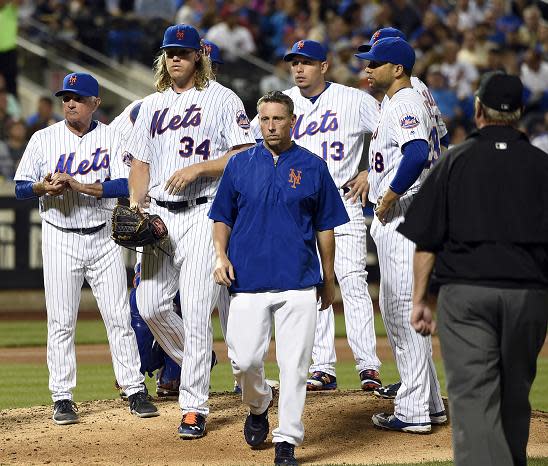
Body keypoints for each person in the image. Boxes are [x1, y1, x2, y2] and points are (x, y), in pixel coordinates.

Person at [399, 71, 548, 466]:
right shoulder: (541, 165)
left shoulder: (456, 161)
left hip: (466, 296)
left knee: (473, 397)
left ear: (478, 109)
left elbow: (427, 241)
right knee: (514, 395)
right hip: (529, 297)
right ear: (518, 113)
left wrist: (421, 299)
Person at [126, 23, 254, 439]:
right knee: (149, 305)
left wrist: (201, 167)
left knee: (199, 310)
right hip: (161, 219)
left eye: (182, 51)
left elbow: (242, 153)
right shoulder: (152, 105)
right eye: (169, 51)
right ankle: (198, 358)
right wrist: (135, 202)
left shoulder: (222, 98)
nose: (175, 57)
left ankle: (194, 407)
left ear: (198, 55)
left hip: (204, 215)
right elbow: (140, 163)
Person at [209, 90, 349, 466]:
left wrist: (329, 276)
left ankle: (287, 439)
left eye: (278, 119)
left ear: (292, 121)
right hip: (247, 280)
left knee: (295, 365)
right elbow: (221, 217)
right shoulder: (239, 165)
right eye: (265, 119)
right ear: (259, 121)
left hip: (299, 280)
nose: (271, 125)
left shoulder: (313, 166)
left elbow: (325, 227)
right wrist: (220, 255)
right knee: (244, 362)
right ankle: (258, 405)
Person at [13, 72, 158, 425]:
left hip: (102, 236)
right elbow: (19, 188)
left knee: (118, 317)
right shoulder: (43, 139)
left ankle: (134, 388)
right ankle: (62, 397)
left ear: (95, 103)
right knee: (61, 321)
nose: (70, 103)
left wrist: (79, 185)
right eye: (66, 98)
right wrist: (41, 188)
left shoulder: (112, 137)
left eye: (77, 98)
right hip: (60, 235)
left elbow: (128, 181)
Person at [251, 39, 382, 393]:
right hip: (298, 210)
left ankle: (368, 365)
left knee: (352, 281)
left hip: (342, 199)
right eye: (294, 62)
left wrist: (371, 170)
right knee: (314, 285)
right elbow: (251, 146)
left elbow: (391, 132)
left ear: (324, 66)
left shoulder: (353, 100)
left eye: (306, 62)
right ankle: (323, 367)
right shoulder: (282, 108)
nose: (298, 68)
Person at [355, 37, 445, 433]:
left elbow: (416, 153)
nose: (367, 69)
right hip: (405, 212)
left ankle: (413, 412)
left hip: (404, 213)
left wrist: (388, 196)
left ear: (398, 69)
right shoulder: (403, 99)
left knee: (401, 310)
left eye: (375, 63)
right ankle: (429, 401)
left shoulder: (406, 101)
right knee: (400, 309)